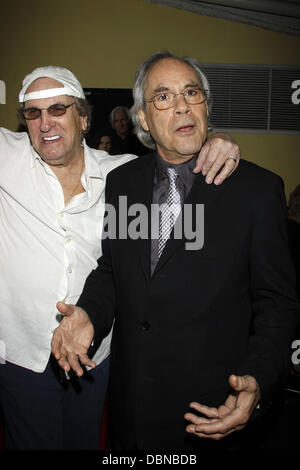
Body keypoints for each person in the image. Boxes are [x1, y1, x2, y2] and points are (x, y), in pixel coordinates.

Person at [52, 51, 300, 451]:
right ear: (144, 120)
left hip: (209, 409)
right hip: (131, 406)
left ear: (206, 105)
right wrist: (89, 314)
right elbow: (114, 270)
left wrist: (257, 377)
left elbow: (277, 303)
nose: (182, 105)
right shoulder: (122, 183)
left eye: (191, 92)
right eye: (163, 96)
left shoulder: (256, 191)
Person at [0, 64, 240, 450]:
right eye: (33, 113)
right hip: (21, 354)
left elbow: (181, 165)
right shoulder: (5, 158)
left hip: (97, 353)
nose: (45, 123)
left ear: (82, 117)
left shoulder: (124, 176)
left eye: (58, 109)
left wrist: (219, 141)